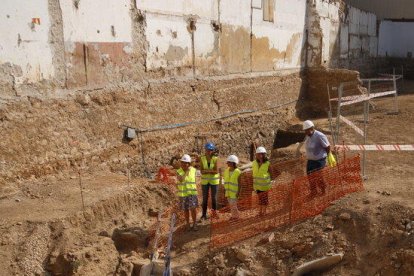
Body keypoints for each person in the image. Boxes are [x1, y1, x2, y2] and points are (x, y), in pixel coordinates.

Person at [303, 120, 330, 197]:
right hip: (310, 161)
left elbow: (327, 146)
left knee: (319, 177)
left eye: (307, 130)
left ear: (311, 128)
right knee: (310, 177)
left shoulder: (320, 136)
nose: (306, 132)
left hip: (319, 161)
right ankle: (314, 192)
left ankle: (323, 192)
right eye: (305, 130)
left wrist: (327, 157)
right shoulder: (307, 136)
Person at [176, 154, 198, 231]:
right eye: (182, 162)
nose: (183, 164)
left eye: (185, 163)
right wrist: (186, 172)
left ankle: (195, 223)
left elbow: (194, 180)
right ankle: (188, 224)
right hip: (183, 194)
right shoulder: (179, 171)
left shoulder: (193, 170)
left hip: (192, 193)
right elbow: (181, 179)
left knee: (193, 209)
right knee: (186, 210)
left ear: (189, 163)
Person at [199, 142, 220, 220]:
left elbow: (216, 171)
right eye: (208, 150)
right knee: (204, 198)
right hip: (205, 182)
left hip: (214, 182)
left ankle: (214, 214)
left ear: (213, 150)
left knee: (214, 198)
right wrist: (210, 170)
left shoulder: (215, 158)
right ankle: (204, 214)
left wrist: (207, 171)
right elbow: (201, 171)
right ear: (205, 150)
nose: (209, 151)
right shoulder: (202, 158)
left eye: (211, 150)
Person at [252, 146, 273, 216]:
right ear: (256, 155)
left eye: (262, 154)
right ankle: (260, 212)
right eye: (259, 154)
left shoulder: (267, 163)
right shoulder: (254, 163)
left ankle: (264, 212)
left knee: (264, 199)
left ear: (264, 155)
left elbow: (271, 172)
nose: (260, 156)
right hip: (257, 185)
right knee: (260, 199)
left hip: (265, 186)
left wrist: (271, 182)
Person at [223, 155, 241, 220]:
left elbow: (240, 183)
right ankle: (234, 216)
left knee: (233, 205)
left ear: (233, 163)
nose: (227, 163)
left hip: (234, 192)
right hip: (228, 192)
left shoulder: (238, 172)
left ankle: (236, 217)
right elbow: (225, 181)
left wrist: (238, 192)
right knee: (231, 205)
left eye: (229, 162)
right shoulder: (226, 171)